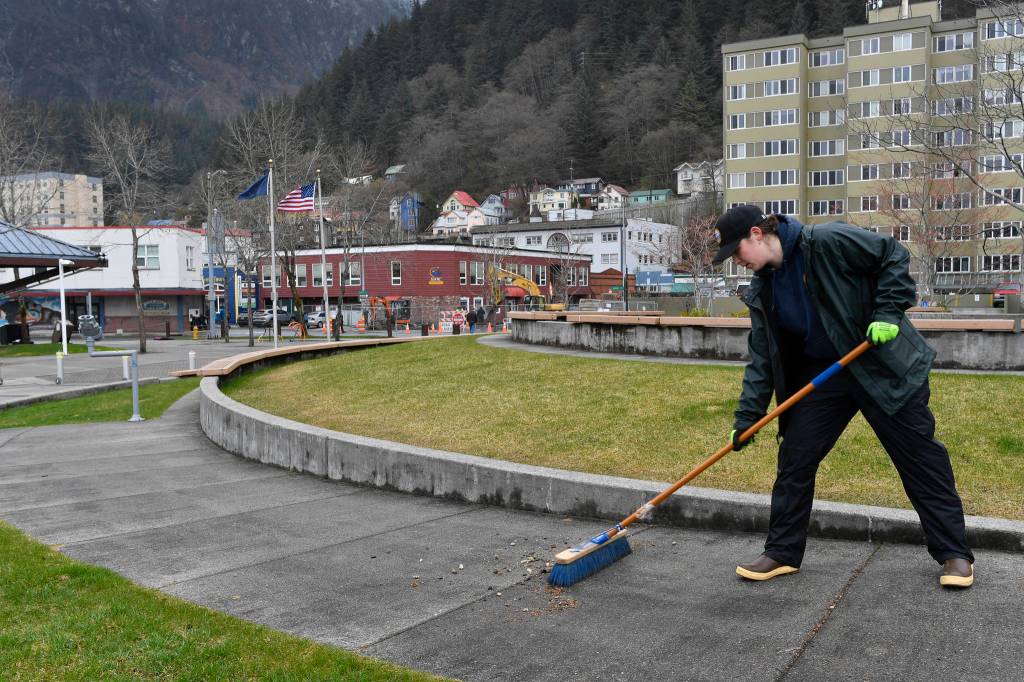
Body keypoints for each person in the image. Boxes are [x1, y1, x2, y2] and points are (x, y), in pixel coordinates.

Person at [712, 204, 974, 588]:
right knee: (796, 457)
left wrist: (886, 311)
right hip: (827, 375)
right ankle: (782, 552)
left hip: (879, 364)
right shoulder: (762, 289)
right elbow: (763, 359)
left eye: (737, 252)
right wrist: (747, 418)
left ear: (756, 233)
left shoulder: (826, 241)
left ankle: (954, 554)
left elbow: (893, 255)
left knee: (919, 458)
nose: (737, 262)